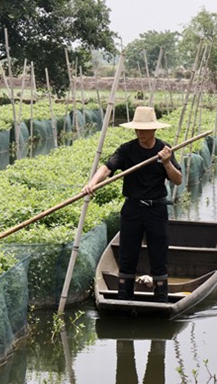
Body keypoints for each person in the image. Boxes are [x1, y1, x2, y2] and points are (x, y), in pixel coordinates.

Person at [83, 106, 182, 302]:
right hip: (133, 208)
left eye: (144, 130)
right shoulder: (127, 149)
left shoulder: (164, 150)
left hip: (156, 209)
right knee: (127, 253)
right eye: (137, 129)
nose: (140, 133)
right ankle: (123, 297)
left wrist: (167, 163)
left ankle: (161, 298)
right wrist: (92, 184)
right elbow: (107, 168)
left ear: (154, 130)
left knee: (158, 254)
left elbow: (177, 179)